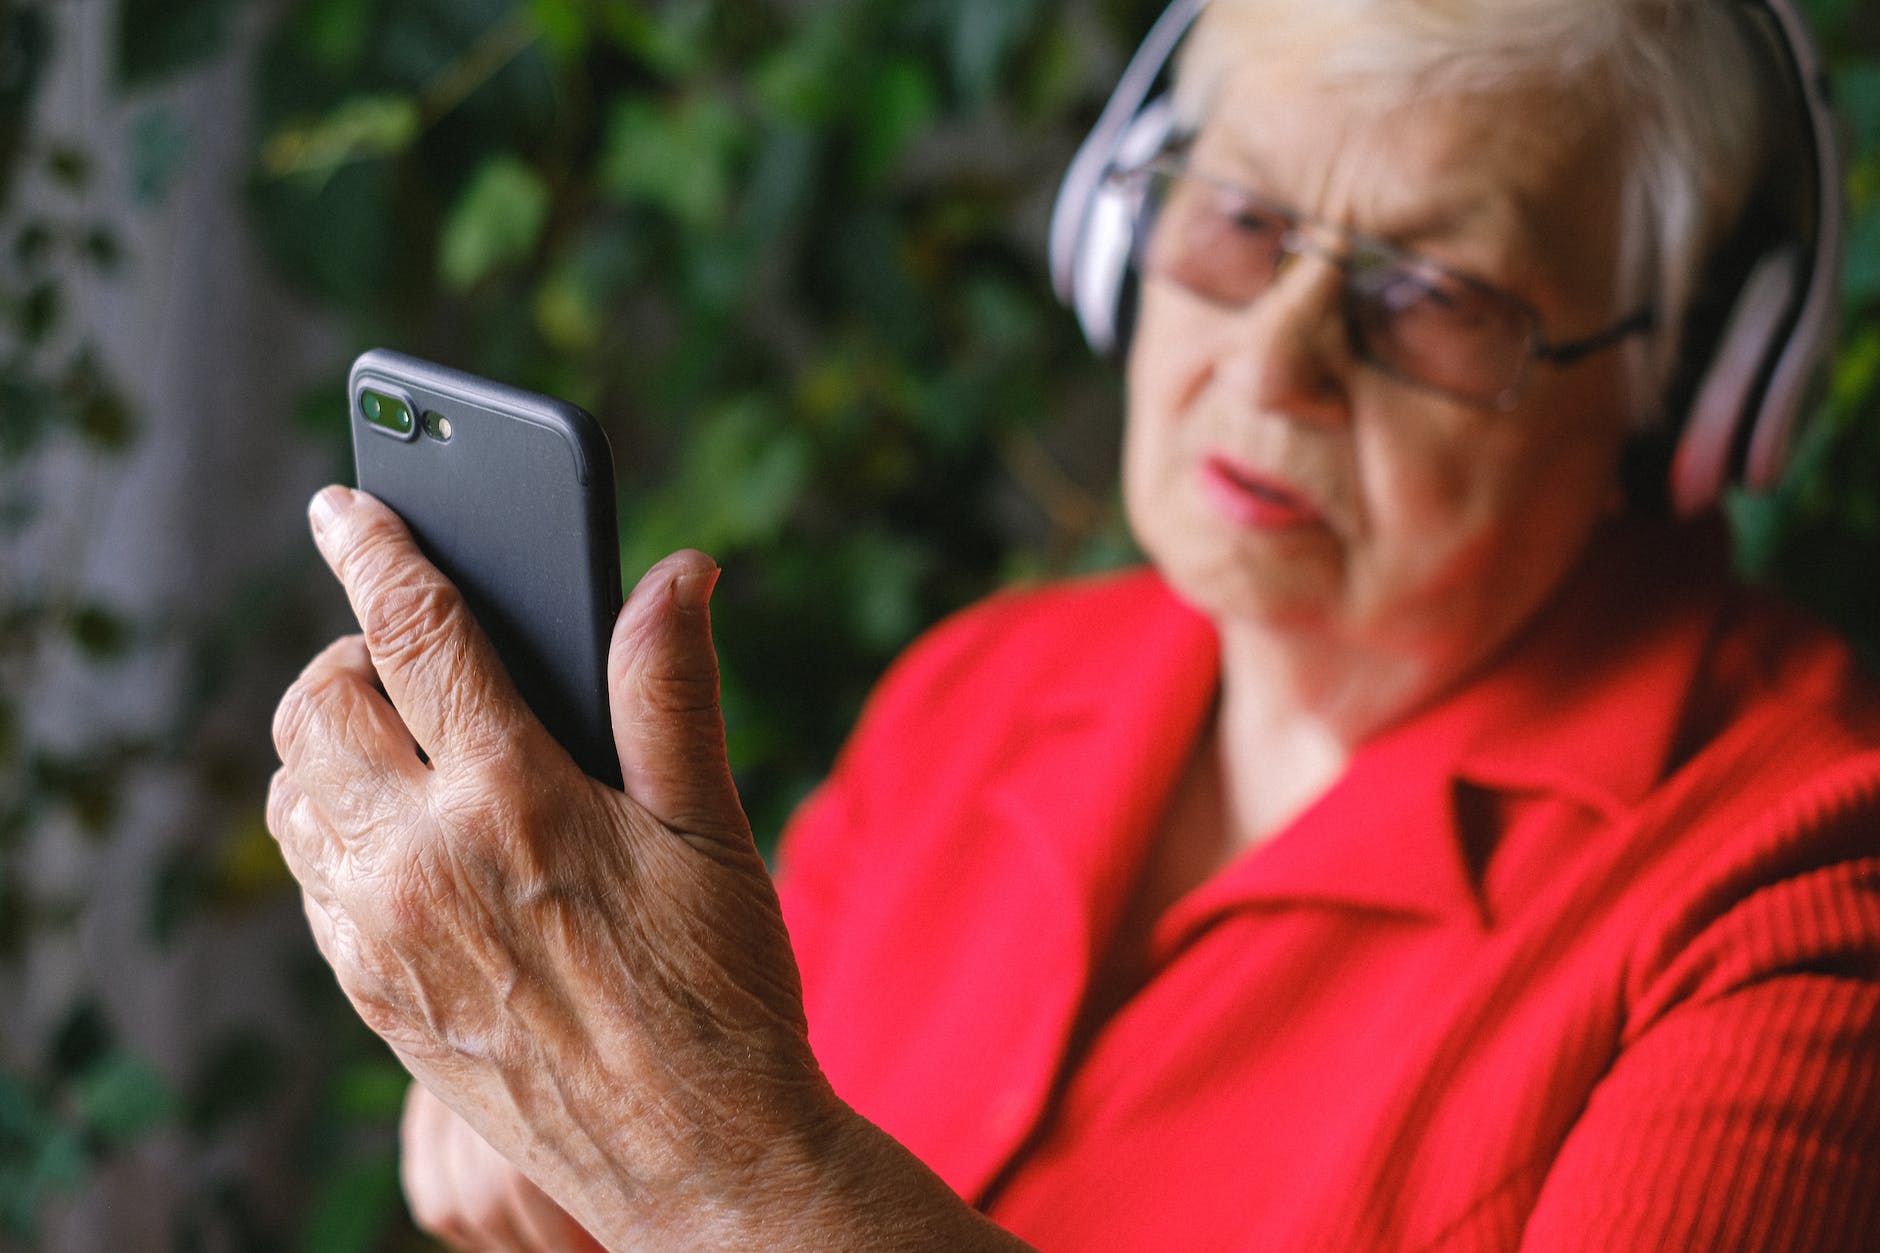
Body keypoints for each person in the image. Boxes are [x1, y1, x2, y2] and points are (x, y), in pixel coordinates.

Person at [266, 0, 1880, 1247]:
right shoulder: (986, 687)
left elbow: (726, 1173)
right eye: (1235, 220)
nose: (1271, 364)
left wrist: (694, 1162)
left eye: (1436, 297)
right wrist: (580, 1157)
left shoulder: (1800, 890)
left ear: (1686, 396)